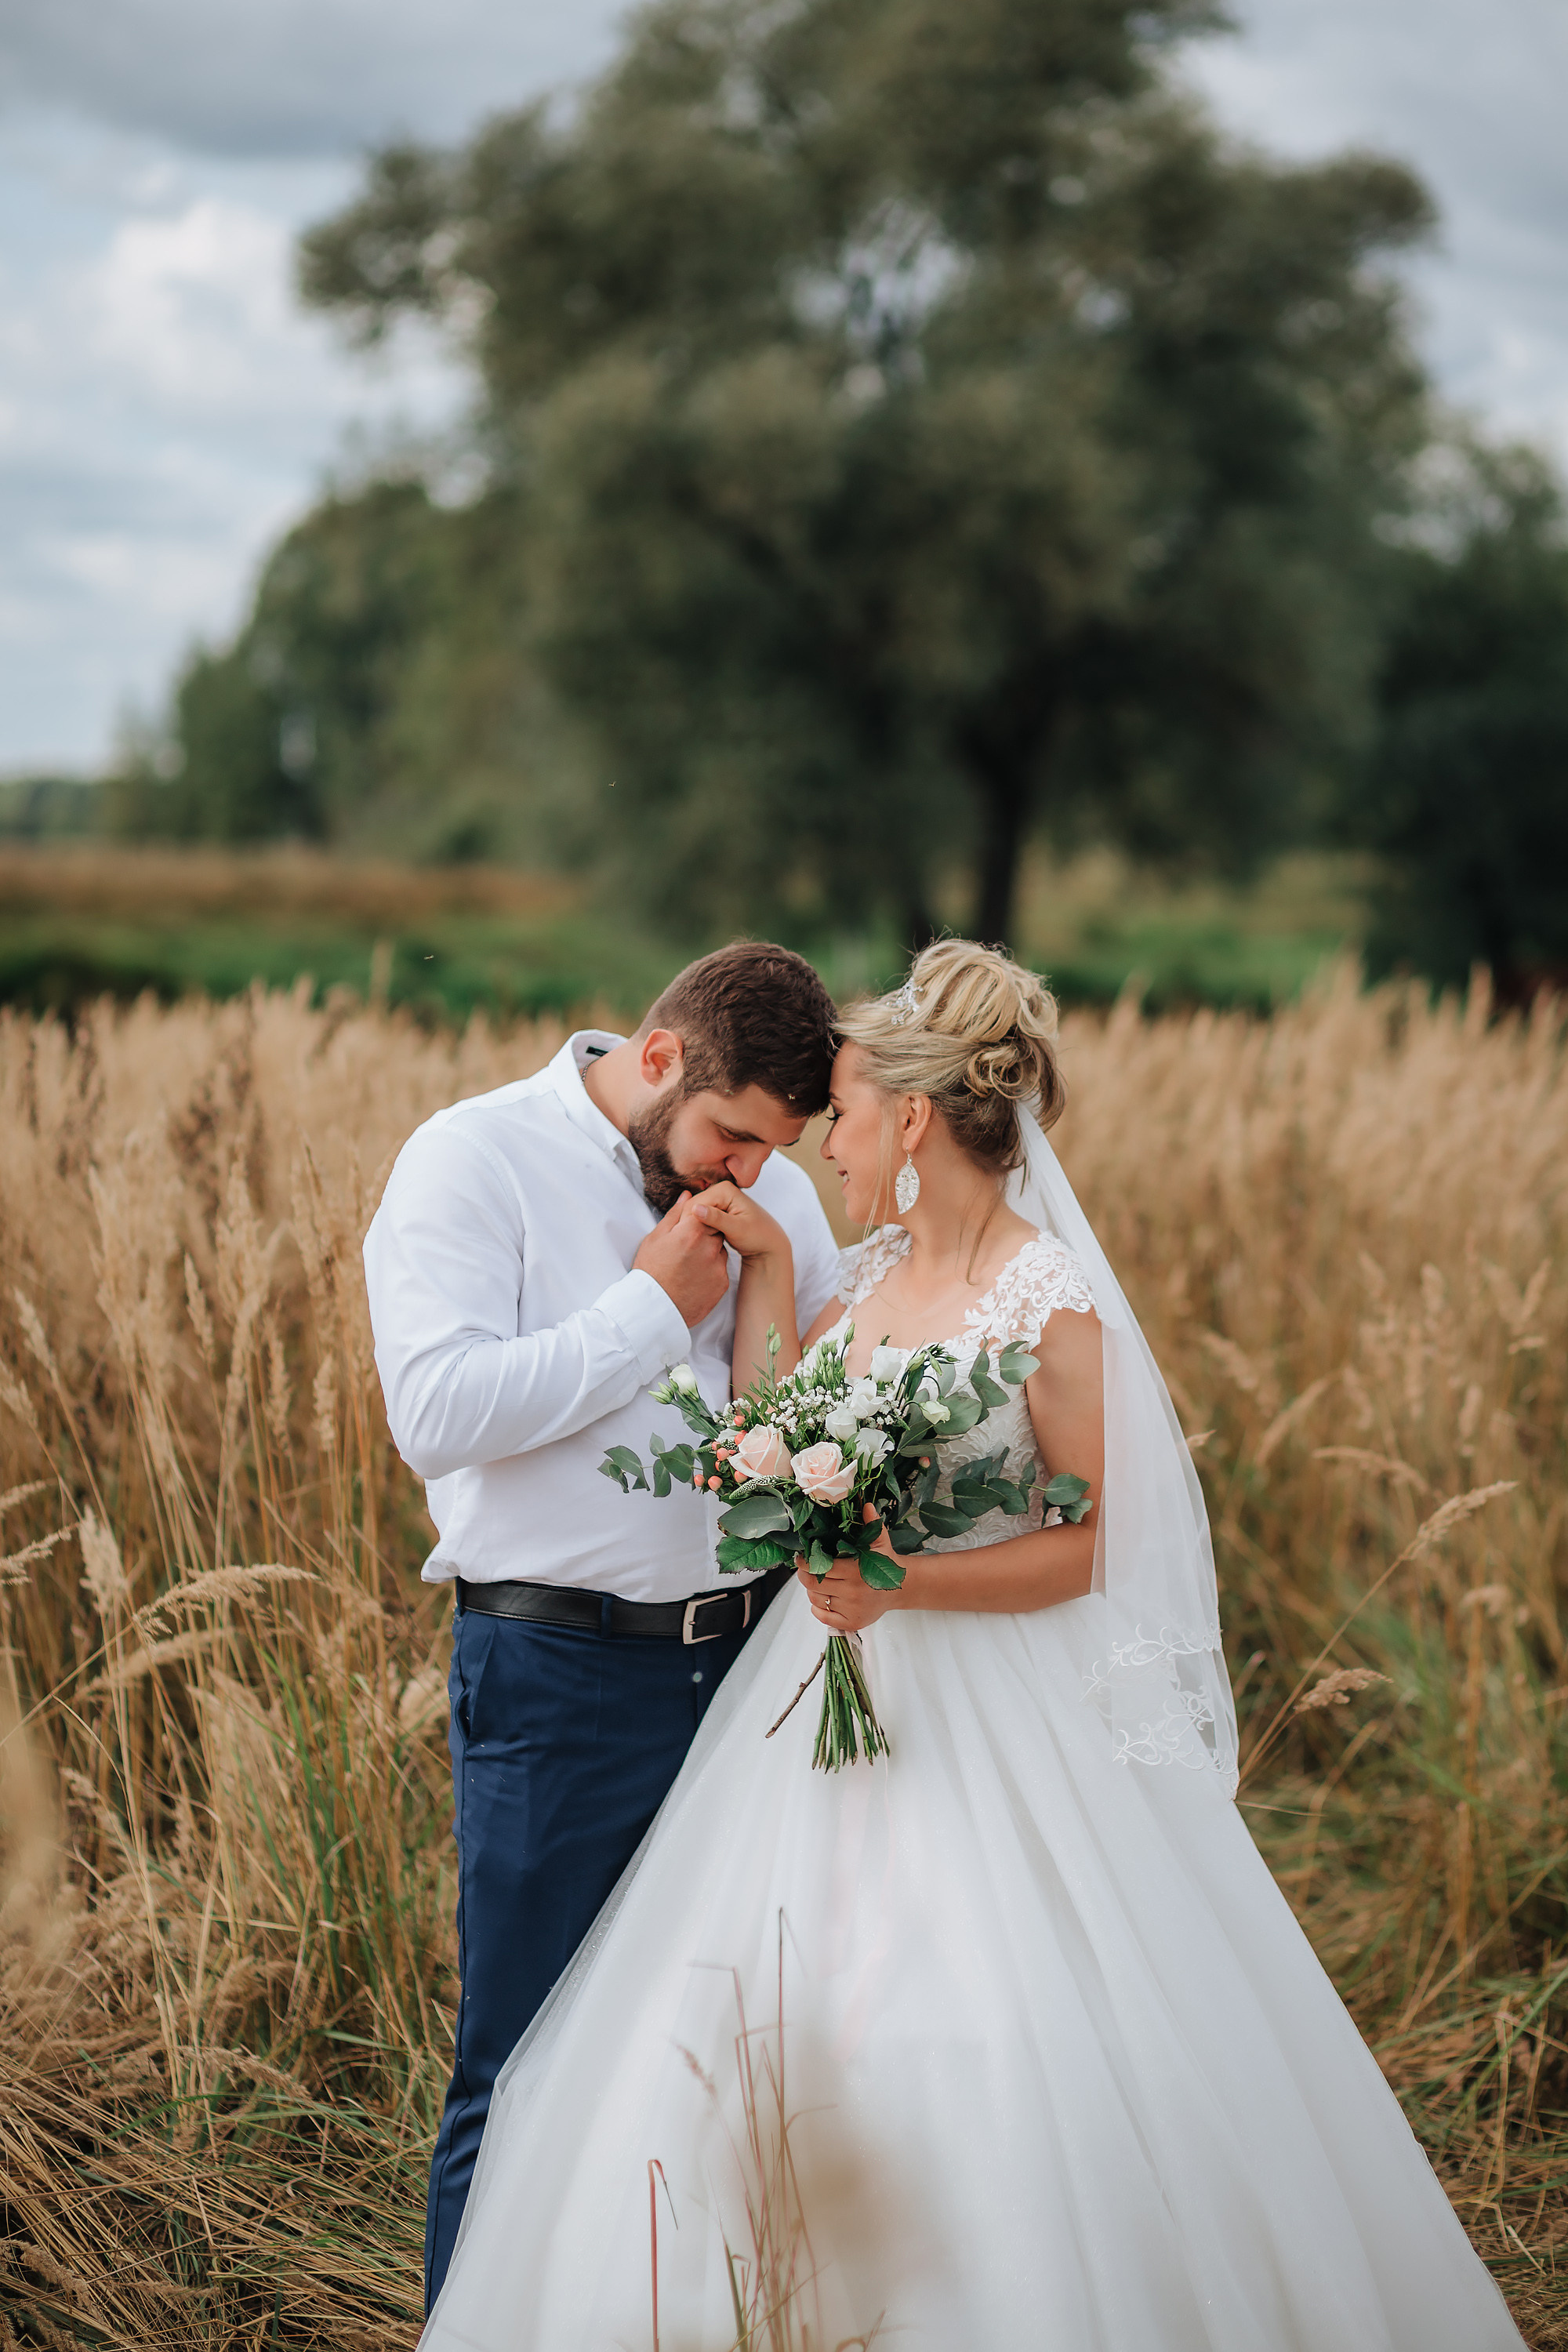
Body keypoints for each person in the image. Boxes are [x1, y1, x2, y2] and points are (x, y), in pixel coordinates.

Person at [419, 939, 1526, 2352]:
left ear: (918, 1119)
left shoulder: (1049, 1299)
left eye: (845, 1112)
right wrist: (761, 1279)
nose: (825, 1139)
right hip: (817, 1701)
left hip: (984, 1703)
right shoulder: (865, 1266)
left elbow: (1092, 1543)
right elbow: (778, 1429)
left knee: (978, 2025)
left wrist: (901, 1587)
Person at [362, 942, 844, 2310]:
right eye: (730, 1135)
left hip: (754, 1671)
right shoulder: (471, 1160)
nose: (748, 1173)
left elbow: (807, 1419)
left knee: (732, 2060)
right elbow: (438, 1415)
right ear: (656, 1061)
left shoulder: (782, 1191)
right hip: (558, 1674)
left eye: (774, 1148)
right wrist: (652, 1309)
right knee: (520, 2068)